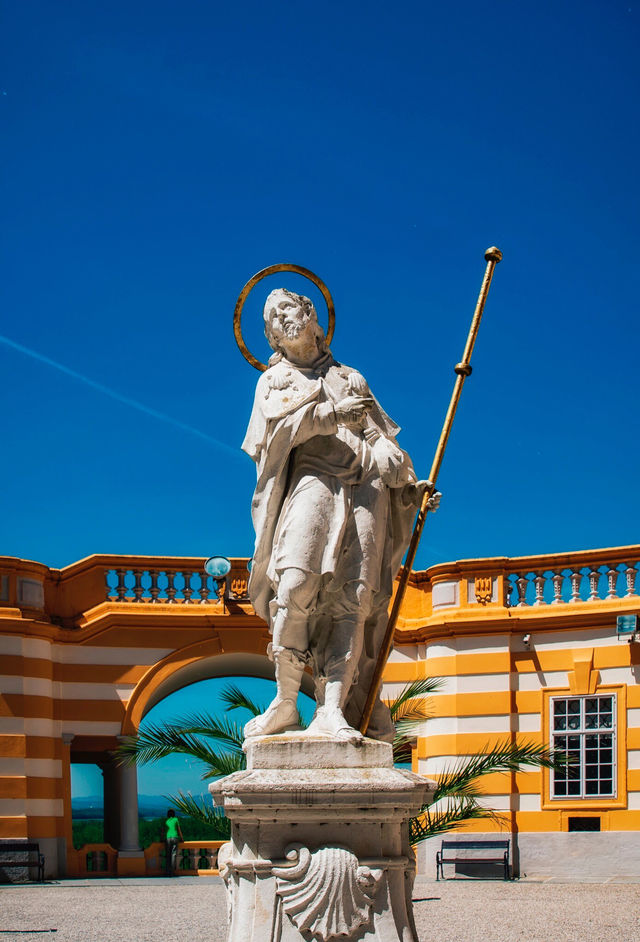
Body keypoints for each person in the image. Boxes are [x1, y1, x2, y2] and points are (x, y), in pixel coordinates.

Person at [242, 288, 434, 743]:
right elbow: (274, 438)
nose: (284, 319)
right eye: (275, 318)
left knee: (355, 598)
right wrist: (329, 415)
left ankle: (332, 709)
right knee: (293, 584)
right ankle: (286, 702)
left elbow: (378, 435)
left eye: (290, 309)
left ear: (311, 316)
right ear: (272, 336)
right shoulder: (275, 381)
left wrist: (407, 482)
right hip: (313, 483)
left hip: (366, 489)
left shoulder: (351, 377)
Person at [164, 808, 183, 876]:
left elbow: (163, 831)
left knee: (168, 854)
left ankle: (167, 870)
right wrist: (182, 838)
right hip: (175, 837)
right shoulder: (176, 819)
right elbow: (179, 830)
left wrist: (161, 838)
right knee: (173, 854)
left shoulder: (166, 821)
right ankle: (172, 871)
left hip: (168, 838)